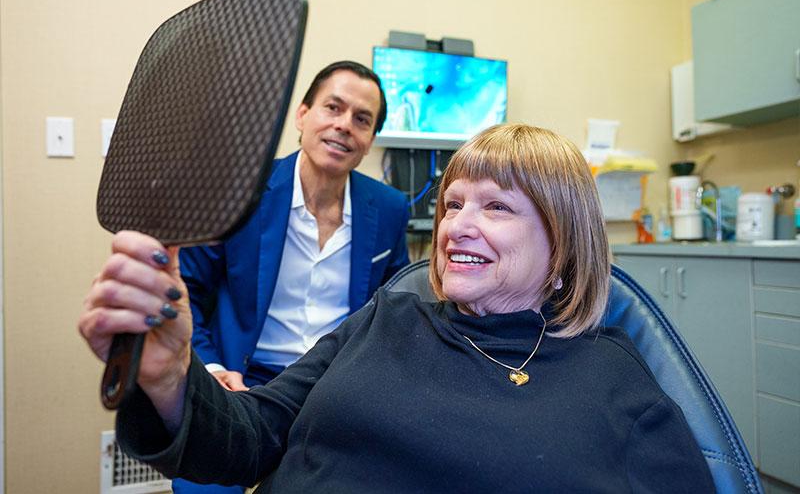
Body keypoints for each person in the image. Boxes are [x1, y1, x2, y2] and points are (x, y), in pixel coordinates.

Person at [79, 123, 716, 493]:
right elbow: (252, 435)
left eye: (496, 207)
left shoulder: (613, 380)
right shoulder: (388, 318)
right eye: (453, 204)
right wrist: (169, 375)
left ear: (562, 242)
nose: (458, 225)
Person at [173, 61, 411, 494]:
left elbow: (394, 311)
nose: (344, 126)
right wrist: (212, 368)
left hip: (336, 383)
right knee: (202, 487)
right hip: (243, 381)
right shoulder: (240, 190)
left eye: (362, 119)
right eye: (333, 108)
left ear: (371, 139)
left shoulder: (391, 208)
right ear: (302, 115)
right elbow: (185, 290)